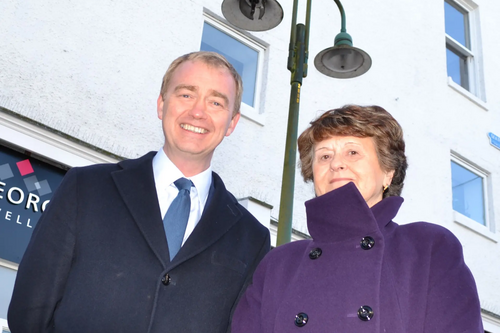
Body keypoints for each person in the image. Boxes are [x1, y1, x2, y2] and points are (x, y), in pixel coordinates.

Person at [8, 51, 270, 333]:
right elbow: (30, 312)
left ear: (231, 122)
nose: (198, 112)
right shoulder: (85, 188)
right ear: (161, 105)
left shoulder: (252, 238)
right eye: (185, 95)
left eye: (216, 102)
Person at [232, 105, 483, 332]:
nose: (337, 164)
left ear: (388, 172)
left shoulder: (428, 248)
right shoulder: (279, 264)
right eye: (325, 156)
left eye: (352, 152)